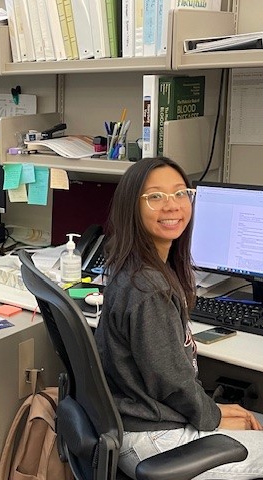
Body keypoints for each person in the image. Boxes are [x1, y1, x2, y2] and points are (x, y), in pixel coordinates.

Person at [94, 156, 263, 479]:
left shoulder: (134, 269)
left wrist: (215, 411)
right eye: (155, 196)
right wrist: (213, 415)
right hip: (154, 439)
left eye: (180, 193)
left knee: (249, 417)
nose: (172, 206)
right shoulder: (148, 289)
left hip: (136, 423)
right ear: (133, 207)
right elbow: (171, 383)